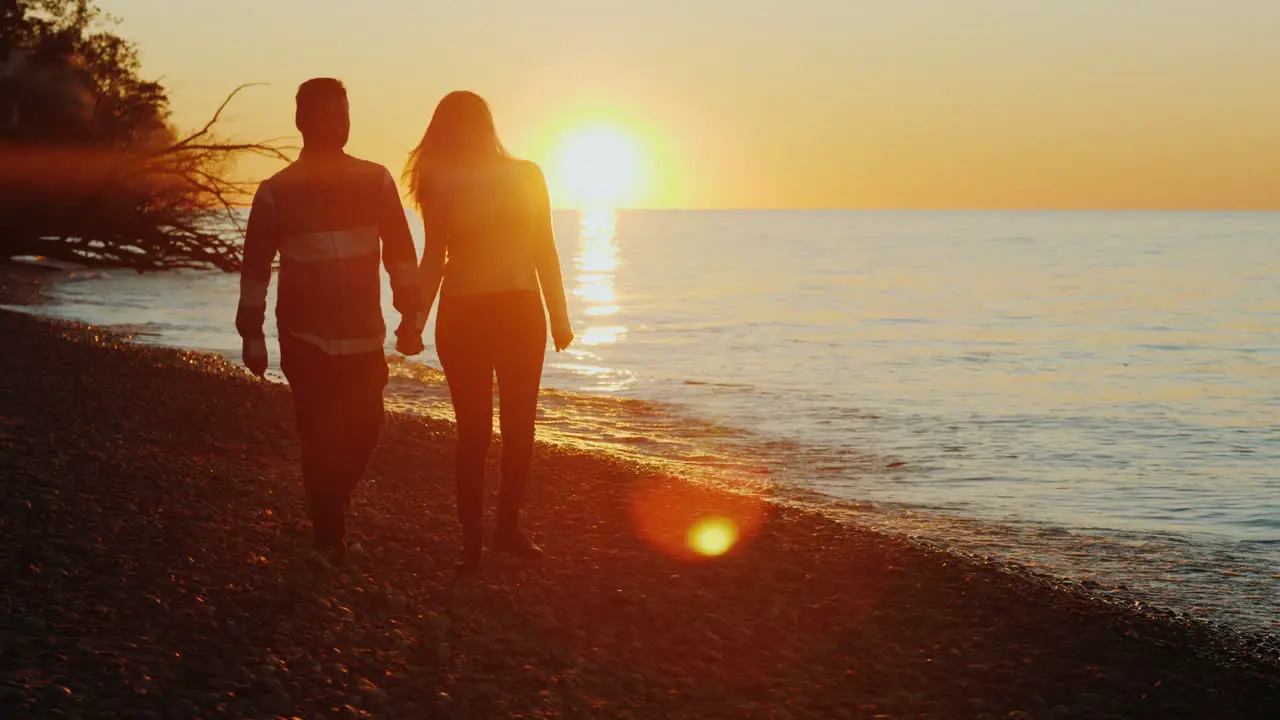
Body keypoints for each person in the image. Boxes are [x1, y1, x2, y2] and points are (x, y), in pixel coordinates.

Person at [236, 78, 425, 566]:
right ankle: (329, 538)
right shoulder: (275, 193)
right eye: (327, 117)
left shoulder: (376, 180)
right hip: (305, 337)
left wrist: (410, 311)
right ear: (302, 122)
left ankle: (331, 504)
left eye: (344, 116)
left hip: (365, 335)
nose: (338, 126)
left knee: (365, 431)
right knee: (319, 435)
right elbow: (255, 268)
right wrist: (251, 334)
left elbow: (401, 253)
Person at [402, 90, 573, 571]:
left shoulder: (526, 174)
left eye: (468, 124)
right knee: (474, 430)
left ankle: (506, 530)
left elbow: (546, 249)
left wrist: (560, 317)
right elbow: (434, 256)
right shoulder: (441, 183)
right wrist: (415, 320)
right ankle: (473, 538)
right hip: (464, 315)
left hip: (519, 312)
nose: (464, 134)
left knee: (520, 427)